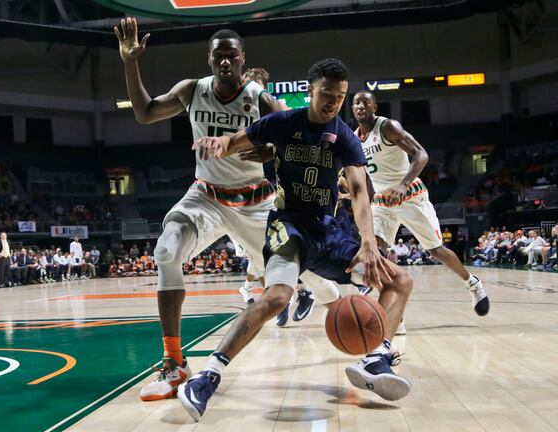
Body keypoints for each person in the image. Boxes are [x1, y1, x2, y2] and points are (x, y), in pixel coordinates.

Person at [178, 59, 414, 421]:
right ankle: (208, 376)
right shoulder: (284, 122)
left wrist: (368, 242)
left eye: (339, 96)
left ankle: (377, 358)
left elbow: (359, 189)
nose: (333, 102)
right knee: (276, 298)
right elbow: (236, 141)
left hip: (327, 232)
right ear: (310, 91)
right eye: (326, 94)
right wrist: (219, 143)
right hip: (287, 226)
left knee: (399, 279)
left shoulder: (346, 136)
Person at [115, 19, 283, 401]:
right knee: (166, 249)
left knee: (295, 280)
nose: (225, 62)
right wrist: (130, 62)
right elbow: (144, 113)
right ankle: (174, 363)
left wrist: (233, 145)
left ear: (243, 59)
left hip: (256, 201)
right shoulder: (192, 90)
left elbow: (277, 149)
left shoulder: (260, 98)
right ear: (209, 59)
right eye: (219, 56)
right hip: (206, 194)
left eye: (232, 57)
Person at [352, 90, 489, 323]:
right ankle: (394, 312)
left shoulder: (388, 127)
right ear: (353, 109)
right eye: (356, 103)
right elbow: (366, 175)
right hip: (383, 202)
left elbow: (421, 154)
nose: (361, 106)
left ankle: (472, 283)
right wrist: (363, 197)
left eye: (366, 102)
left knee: (436, 251)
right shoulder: (355, 138)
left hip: (410, 196)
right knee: (375, 250)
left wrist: (403, 185)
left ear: (375, 107)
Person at [240, 66, 316, 324]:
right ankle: (275, 295)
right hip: (238, 191)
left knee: (273, 247)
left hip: (277, 184)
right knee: (256, 254)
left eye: (257, 83)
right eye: (248, 82)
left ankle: (301, 291)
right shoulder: (240, 110)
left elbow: (298, 139)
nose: (252, 87)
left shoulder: (277, 107)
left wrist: (271, 148)